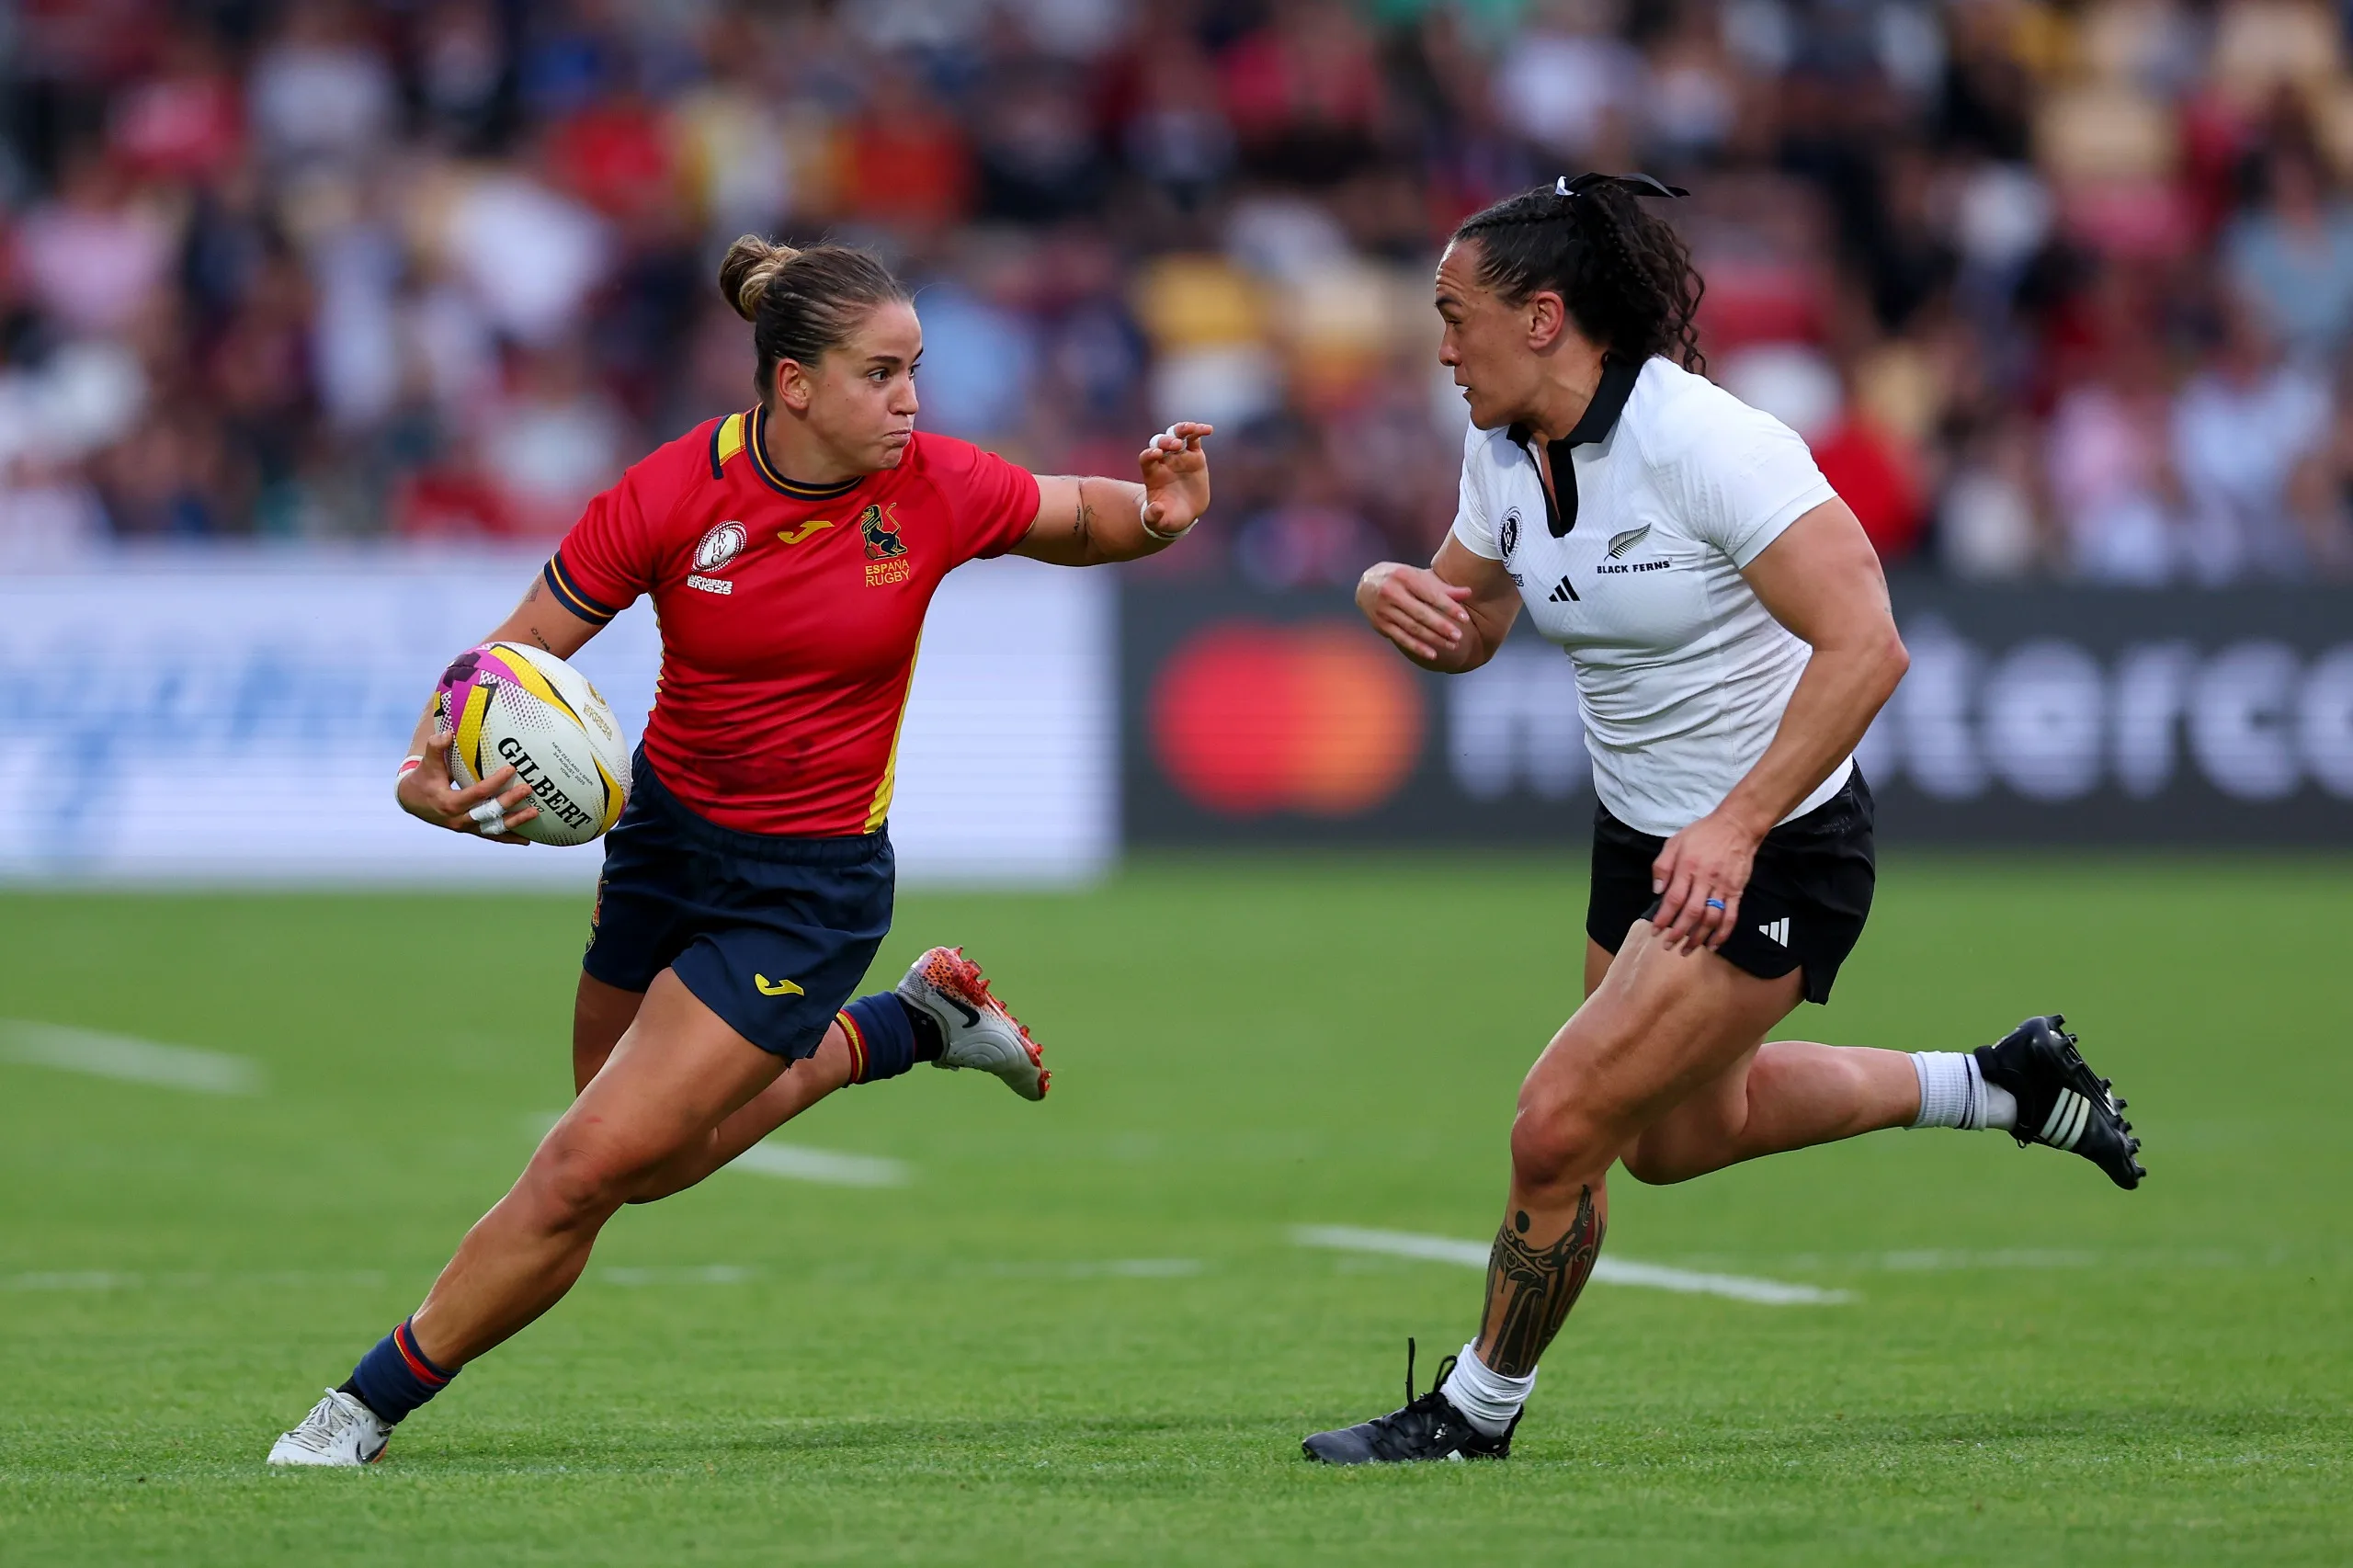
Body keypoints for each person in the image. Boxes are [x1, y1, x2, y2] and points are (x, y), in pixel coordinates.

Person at [267, 236, 1215, 1466]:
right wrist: (425, 772)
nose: (912, 399)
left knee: (579, 1171)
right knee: (640, 1163)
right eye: (882, 373)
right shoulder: (670, 493)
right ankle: (910, 1024)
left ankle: (359, 1406)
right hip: (662, 842)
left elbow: (1078, 513)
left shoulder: (933, 485)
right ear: (793, 383)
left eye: (915, 369)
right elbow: (509, 660)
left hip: (806, 888)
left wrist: (1160, 512)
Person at [1302, 175, 2142, 1466]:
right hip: (1643, 841)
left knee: (1556, 1125)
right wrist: (1386, 592)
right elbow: (1466, 623)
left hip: (1774, 845)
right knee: (1679, 1141)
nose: (1440, 343)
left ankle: (1473, 1412)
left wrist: (1738, 825)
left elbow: (1869, 645)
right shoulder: (1501, 447)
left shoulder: (1709, 443)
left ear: (1544, 318)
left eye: (1452, 312)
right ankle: (1997, 1083)